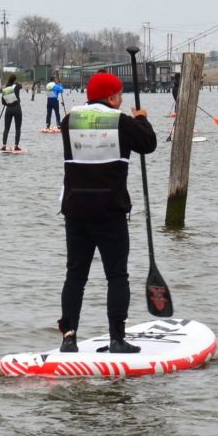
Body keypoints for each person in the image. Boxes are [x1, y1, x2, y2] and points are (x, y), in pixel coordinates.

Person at [57, 72, 158, 354]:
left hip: (75, 210)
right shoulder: (121, 122)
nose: (122, 100)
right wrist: (141, 118)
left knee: (75, 276)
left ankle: (68, 338)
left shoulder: (68, 121)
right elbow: (148, 144)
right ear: (112, 97)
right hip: (110, 211)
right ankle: (116, 338)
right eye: (119, 96)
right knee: (117, 275)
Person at [0, 74, 23, 151]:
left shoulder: (5, 88)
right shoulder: (17, 86)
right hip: (17, 108)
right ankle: (16, 146)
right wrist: (16, 82)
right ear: (15, 80)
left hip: (8, 109)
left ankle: (4, 145)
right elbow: (21, 86)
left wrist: (8, 103)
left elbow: (3, 102)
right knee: (18, 128)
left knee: (6, 128)